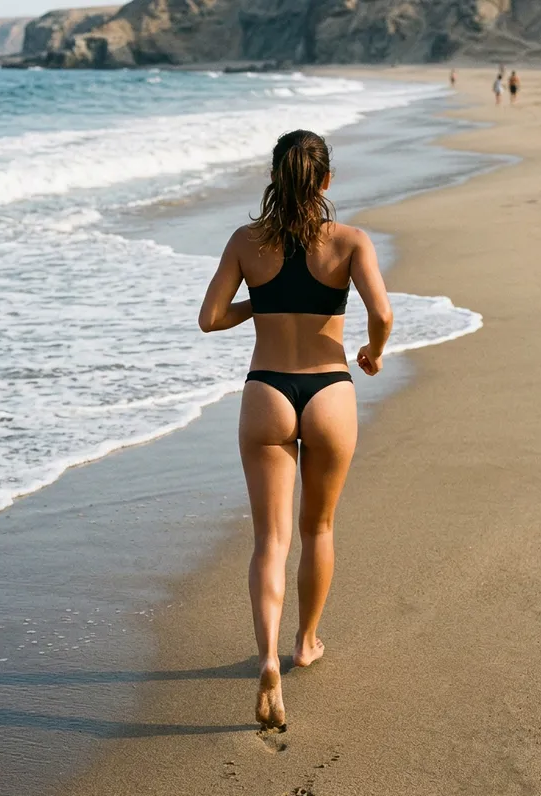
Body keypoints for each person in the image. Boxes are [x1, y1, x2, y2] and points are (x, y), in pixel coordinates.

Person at [198, 130, 393, 730]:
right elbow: (382, 314)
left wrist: (261, 302)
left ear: (275, 179)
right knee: (319, 526)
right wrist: (374, 352)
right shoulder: (349, 241)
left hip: (267, 392)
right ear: (327, 181)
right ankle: (306, 643)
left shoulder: (245, 241)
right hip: (329, 390)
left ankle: (266, 659)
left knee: (269, 542)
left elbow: (209, 320)